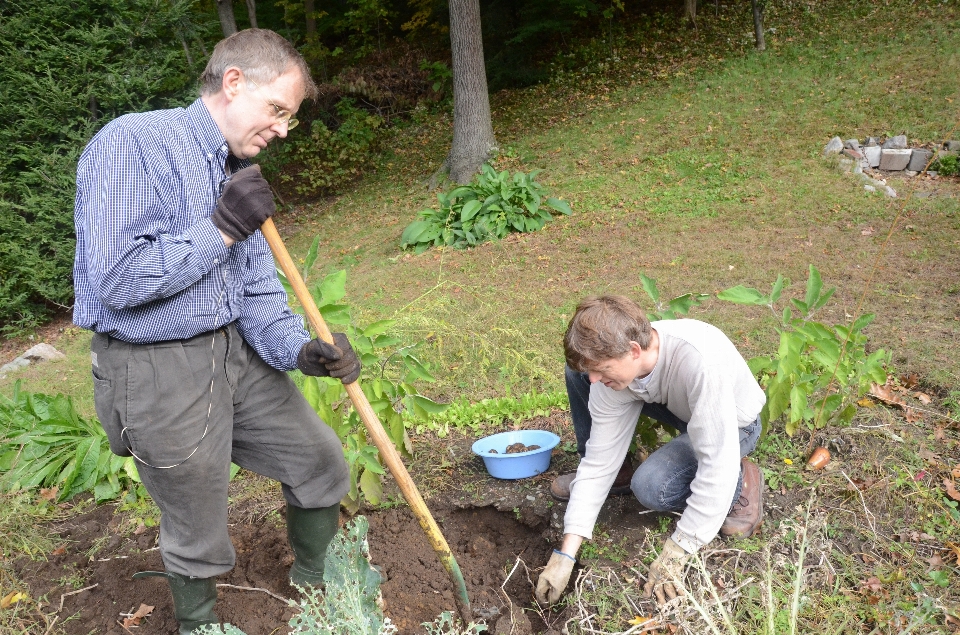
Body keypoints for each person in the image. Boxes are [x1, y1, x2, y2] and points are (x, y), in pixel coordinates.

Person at [73, 29, 359, 634]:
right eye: (278, 110)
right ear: (233, 83)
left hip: (236, 354)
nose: (283, 129)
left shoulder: (238, 169)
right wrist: (222, 227)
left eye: (291, 118)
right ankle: (200, 626)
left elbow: (256, 290)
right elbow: (115, 282)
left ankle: (320, 586)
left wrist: (300, 351)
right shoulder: (133, 143)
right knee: (198, 523)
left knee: (319, 460)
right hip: (156, 368)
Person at [535, 295, 766, 607]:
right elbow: (599, 461)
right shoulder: (620, 366)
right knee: (577, 374)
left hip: (734, 423)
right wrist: (565, 553)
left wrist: (679, 549)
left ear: (633, 350)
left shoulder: (700, 362)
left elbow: (716, 465)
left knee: (652, 487)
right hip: (685, 410)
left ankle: (744, 478)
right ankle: (627, 472)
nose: (594, 380)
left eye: (602, 369)